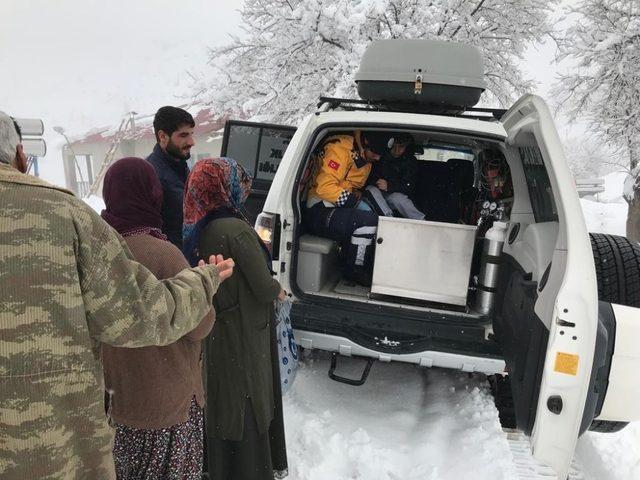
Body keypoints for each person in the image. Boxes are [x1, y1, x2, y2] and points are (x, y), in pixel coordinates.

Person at [0, 111, 233, 480]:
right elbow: (148, 315)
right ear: (20, 156)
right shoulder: (71, 224)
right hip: (85, 436)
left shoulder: (111, 237)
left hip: (122, 409)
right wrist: (205, 282)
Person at [100, 157, 216, 479]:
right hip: (167, 408)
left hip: (121, 404)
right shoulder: (164, 254)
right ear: (152, 194)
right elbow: (200, 326)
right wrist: (206, 286)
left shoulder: (100, 252)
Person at [183, 157, 288, 480]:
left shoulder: (202, 226)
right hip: (245, 330)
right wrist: (279, 291)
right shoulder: (236, 229)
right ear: (222, 188)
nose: (245, 188)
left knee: (223, 398)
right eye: (238, 182)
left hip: (218, 329)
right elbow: (262, 285)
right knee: (248, 399)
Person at [304, 131, 383, 285]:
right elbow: (325, 188)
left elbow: (350, 183)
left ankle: (358, 264)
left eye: (380, 155)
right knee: (367, 222)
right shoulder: (339, 150)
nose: (377, 158)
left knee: (370, 216)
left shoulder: (364, 157)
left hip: (336, 206)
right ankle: (355, 270)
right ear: (365, 143)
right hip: (318, 208)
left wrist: (356, 193)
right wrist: (352, 200)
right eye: (375, 153)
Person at [147, 106, 196, 249]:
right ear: (163, 137)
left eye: (192, 134)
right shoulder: (152, 175)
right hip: (171, 262)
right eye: (183, 135)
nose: (192, 142)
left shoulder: (179, 164)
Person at [364, 132, 425, 220]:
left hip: (395, 193)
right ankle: (388, 219)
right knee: (371, 189)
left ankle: (422, 222)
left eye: (401, 147)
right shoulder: (380, 155)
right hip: (377, 194)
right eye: (394, 146)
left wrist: (389, 186)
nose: (396, 150)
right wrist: (377, 182)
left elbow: (410, 185)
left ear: (407, 148)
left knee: (398, 198)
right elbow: (367, 177)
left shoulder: (410, 162)